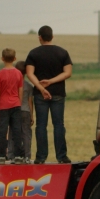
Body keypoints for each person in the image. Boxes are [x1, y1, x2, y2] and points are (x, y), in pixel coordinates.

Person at [25, 25, 73, 164]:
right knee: (58, 125)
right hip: (58, 93)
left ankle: (40, 157)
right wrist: (51, 82)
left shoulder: (33, 53)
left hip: (40, 95)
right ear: (52, 36)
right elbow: (67, 73)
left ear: (39, 37)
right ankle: (62, 157)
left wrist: (41, 87)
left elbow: (29, 73)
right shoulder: (62, 53)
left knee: (41, 125)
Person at [0, 48, 25, 163]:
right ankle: (18, 156)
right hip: (15, 104)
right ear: (14, 59)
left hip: (3, 106)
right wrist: (18, 103)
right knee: (16, 131)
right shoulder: (19, 73)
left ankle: (0, 156)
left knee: (2, 132)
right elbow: (21, 90)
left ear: (2, 59)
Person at [7, 61, 34, 161]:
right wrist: (32, 115)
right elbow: (30, 101)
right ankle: (27, 156)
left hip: (13, 110)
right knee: (26, 134)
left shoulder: (11, 84)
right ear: (26, 72)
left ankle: (11, 155)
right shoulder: (29, 86)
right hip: (25, 111)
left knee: (12, 133)